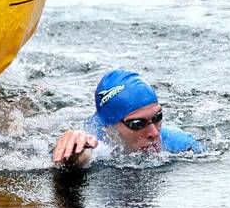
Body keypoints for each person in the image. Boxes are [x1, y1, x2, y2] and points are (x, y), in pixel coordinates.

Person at [51, 68, 202, 167]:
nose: (154, 133)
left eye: (157, 117)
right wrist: (72, 152)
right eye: (137, 124)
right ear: (110, 129)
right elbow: (82, 159)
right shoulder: (98, 142)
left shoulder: (180, 144)